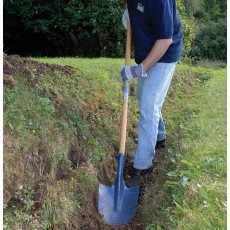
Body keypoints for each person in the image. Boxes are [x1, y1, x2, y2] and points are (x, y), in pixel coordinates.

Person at [120, 0, 183, 187]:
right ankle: (159, 137)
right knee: (142, 97)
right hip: (147, 51)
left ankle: (143, 167)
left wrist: (138, 70)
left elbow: (165, 39)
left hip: (165, 54)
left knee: (149, 105)